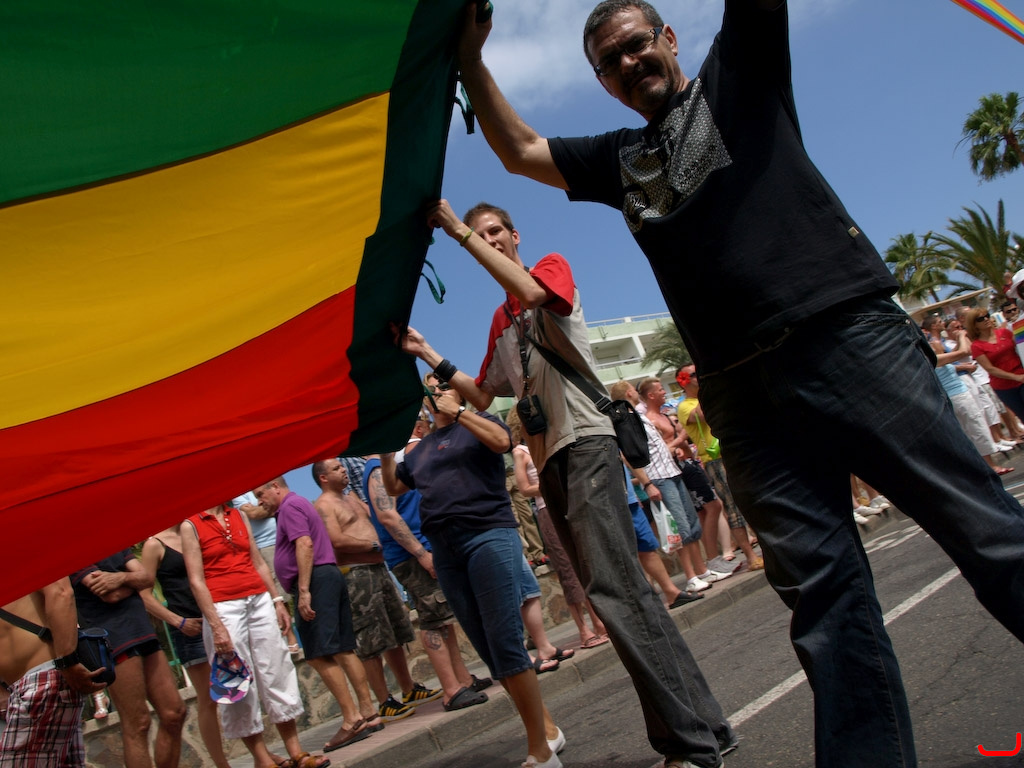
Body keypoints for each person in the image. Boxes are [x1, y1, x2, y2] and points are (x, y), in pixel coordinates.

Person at [452, 3, 1024, 766]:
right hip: (743, 403)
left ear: (669, 39)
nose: (628, 63)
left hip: (843, 338)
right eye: (609, 62)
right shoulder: (619, 159)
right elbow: (521, 149)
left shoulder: (736, 76)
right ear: (604, 84)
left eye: (636, 44)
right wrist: (470, 59)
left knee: (984, 531)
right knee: (826, 607)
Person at [398, 199, 734, 768]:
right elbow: (484, 394)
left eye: (496, 231)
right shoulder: (500, 321)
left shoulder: (548, 269)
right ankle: (707, 728)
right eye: (481, 233)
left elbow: (533, 294)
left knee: (616, 591)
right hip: (548, 459)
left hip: (587, 444)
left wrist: (456, 231)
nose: (490, 239)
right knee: (616, 593)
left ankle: (690, 743)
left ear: (515, 235)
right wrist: (427, 350)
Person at [380, 383, 565, 768]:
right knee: (488, 648)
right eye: (430, 388)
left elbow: (502, 441)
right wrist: (384, 446)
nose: (434, 391)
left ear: (459, 394)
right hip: (445, 549)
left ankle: (540, 750)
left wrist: (460, 412)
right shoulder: (420, 448)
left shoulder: (479, 422)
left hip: (487, 535)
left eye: (442, 386)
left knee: (505, 639)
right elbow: (394, 484)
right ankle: (546, 729)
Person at [253, 477, 383, 752]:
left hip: (316, 581)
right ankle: (368, 712)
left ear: (275, 486)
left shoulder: (290, 507)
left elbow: (304, 543)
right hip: (327, 576)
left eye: (260, 493)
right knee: (343, 648)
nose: (259, 501)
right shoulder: (296, 504)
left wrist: (304, 590)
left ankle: (352, 719)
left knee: (318, 654)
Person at [181, 504, 316, 768]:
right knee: (236, 680)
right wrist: (216, 625)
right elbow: (196, 580)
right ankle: (262, 759)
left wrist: (276, 600)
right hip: (222, 605)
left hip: (257, 597)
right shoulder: (191, 525)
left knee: (277, 667)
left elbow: (257, 561)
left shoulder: (238, 515)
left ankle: (296, 751)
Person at [362, 450, 492, 712]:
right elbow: (387, 515)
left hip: (423, 549)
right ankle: (451, 690)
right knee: (433, 619)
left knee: (443, 617)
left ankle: (463, 680)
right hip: (411, 556)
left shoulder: (385, 466)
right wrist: (421, 554)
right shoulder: (377, 469)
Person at [311, 458, 440, 720]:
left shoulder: (351, 497)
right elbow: (336, 540)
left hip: (379, 569)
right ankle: (384, 700)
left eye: (341, 466)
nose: (344, 470)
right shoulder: (323, 505)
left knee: (394, 632)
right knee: (370, 640)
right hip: (356, 575)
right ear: (323, 478)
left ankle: (408, 689)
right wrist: (372, 545)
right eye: (336, 468)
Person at [71, 550, 186, 768]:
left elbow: (148, 578)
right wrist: (134, 582)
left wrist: (121, 578)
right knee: (138, 723)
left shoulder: (114, 543)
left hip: (142, 630)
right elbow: (110, 595)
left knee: (175, 712)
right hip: (114, 639)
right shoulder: (73, 551)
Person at [507, 408, 609, 649]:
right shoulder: (520, 452)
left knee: (585, 563)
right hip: (547, 509)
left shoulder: (545, 445)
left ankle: (600, 621)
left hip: (568, 504)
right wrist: (551, 484)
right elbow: (524, 488)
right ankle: (584, 630)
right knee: (567, 569)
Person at [140, 526, 233, 768]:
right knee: (209, 698)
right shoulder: (154, 544)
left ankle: (260, 754)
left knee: (236, 687)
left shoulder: (197, 531)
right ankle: (222, 764)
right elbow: (144, 595)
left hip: (218, 619)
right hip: (189, 628)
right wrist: (178, 622)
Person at [0, 578, 107, 768]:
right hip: (28, 685)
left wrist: (67, 662)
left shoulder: (23, 559)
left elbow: (61, 591)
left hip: (43, 681)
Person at [966, 308, 1024, 422]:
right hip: (1004, 387)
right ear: (974, 325)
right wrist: (1016, 377)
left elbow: (1020, 349)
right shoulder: (976, 346)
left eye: (987, 315)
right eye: (980, 319)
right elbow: (990, 369)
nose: (986, 319)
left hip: (1022, 378)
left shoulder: (1005, 333)